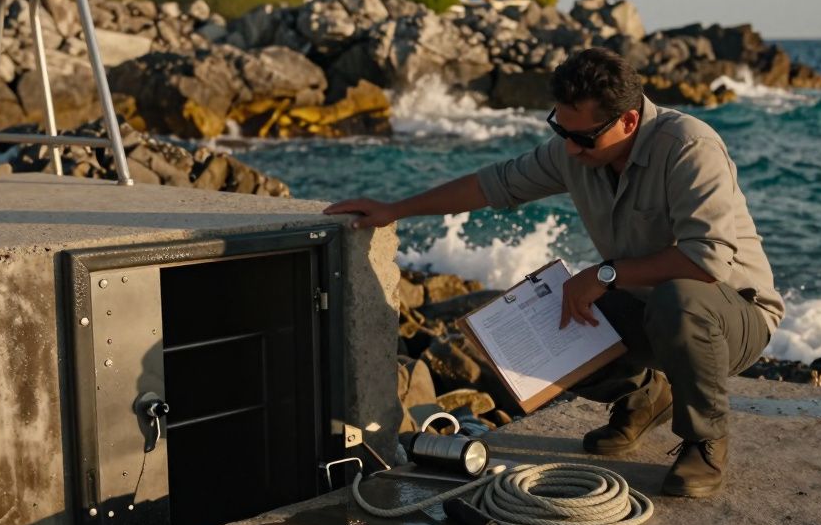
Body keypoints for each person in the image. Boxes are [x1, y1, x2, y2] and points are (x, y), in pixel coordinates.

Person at [323, 47, 783, 497]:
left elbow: (707, 259)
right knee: (532, 322)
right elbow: (493, 184)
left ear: (628, 120)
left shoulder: (689, 146)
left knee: (677, 299)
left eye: (583, 138)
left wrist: (605, 275)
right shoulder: (576, 150)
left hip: (733, 315)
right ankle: (644, 396)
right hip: (647, 307)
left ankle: (705, 442)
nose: (569, 147)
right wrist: (395, 209)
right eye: (561, 129)